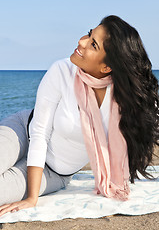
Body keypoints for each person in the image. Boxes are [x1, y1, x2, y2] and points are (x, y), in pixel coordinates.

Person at [0, 15, 158, 216]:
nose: (81, 42)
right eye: (89, 34)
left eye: (93, 44)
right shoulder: (62, 70)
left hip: (54, 173)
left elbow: (155, 125)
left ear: (106, 67)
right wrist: (32, 198)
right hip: (22, 131)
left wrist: (32, 197)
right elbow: (40, 132)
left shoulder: (126, 102)